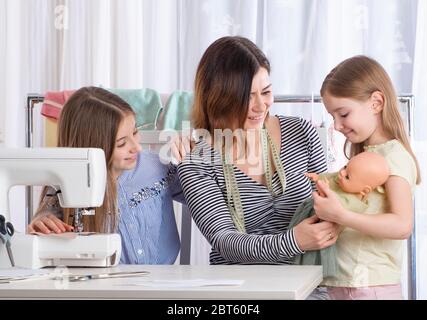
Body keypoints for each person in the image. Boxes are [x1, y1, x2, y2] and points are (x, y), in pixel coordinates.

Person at [177, 36, 339, 265]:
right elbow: (225, 241)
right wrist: (293, 242)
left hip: (307, 282)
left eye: (265, 92)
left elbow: (326, 207)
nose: (261, 106)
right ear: (219, 98)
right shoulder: (198, 162)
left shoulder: (301, 133)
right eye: (247, 97)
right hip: (241, 289)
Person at [27, 86, 184, 265]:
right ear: (94, 147)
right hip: (104, 284)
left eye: (135, 132)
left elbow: (207, 195)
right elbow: (47, 215)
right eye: (122, 143)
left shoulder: (157, 167)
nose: (137, 147)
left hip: (163, 282)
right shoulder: (65, 182)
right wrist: (43, 221)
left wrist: (198, 157)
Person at [312, 55, 421, 300]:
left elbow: (403, 225)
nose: (337, 125)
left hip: (371, 287)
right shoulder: (367, 157)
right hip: (348, 283)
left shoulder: (394, 157)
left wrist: (341, 215)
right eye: (332, 117)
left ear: (376, 103)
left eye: (343, 114)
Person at [290, 151, 390, 277]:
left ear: (364, 190)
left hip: (320, 230)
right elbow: (331, 176)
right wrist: (318, 177)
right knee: (294, 232)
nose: (342, 173)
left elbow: (336, 209)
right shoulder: (342, 178)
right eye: (345, 167)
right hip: (308, 216)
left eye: (348, 176)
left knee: (311, 257)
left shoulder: (354, 203)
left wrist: (323, 193)